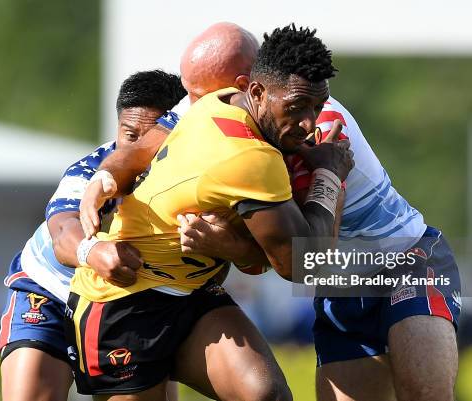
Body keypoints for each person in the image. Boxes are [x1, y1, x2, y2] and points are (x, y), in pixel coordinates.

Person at [84, 22, 461, 401]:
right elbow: (139, 149)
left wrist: (326, 173)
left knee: (425, 394)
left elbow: (308, 261)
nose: (189, 108)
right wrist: (100, 180)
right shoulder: (212, 110)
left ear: (248, 85)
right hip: (340, 286)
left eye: (200, 95)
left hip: (404, 258)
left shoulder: (316, 131)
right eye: (190, 95)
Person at [67, 24, 353, 400]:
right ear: (255, 90)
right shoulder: (251, 158)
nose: (309, 124)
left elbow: (143, 149)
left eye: (317, 107)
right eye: (296, 108)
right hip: (124, 300)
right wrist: (329, 174)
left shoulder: (215, 100)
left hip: (194, 293)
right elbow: (305, 263)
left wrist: (107, 174)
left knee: (266, 396)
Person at [0, 70, 186, 401]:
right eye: (129, 135)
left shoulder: (193, 175)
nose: (138, 151)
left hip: (126, 301)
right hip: (52, 290)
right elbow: (62, 233)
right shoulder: (90, 171)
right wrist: (91, 252)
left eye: (151, 140)